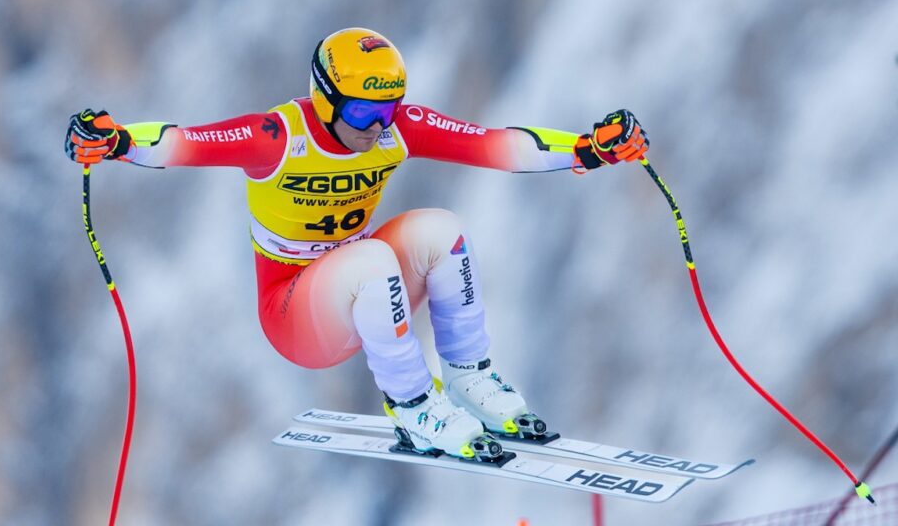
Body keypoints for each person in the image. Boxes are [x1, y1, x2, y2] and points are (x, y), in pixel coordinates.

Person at [65, 27, 648, 461]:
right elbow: (181, 142)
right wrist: (114, 140)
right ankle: (415, 407)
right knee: (370, 259)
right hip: (294, 313)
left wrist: (587, 149)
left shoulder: (394, 128)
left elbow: (496, 145)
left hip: (368, 295)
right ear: (326, 98)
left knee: (441, 230)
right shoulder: (278, 137)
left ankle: (469, 378)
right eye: (367, 110)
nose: (379, 125)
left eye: (389, 108)